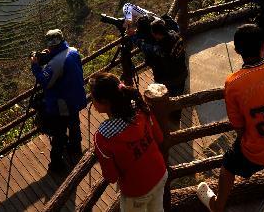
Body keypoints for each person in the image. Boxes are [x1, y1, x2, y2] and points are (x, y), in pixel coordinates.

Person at [196, 24, 264, 212]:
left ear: (236, 50)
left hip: (256, 148)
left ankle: (218, 205)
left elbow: (239, 126)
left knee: (228, 164)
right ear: (263, 47)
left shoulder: (233, 83)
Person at [90, 72, 168, 212]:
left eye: (93, 98)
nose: (92, 102)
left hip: (137, 190)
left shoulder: (103, 137)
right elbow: (160, 138)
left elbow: (111, 176)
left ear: (104, 102)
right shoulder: (140, 108)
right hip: (160, 173)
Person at [31, 28, 88, 173]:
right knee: (74, 122)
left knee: (59, 132)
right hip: (76, 96)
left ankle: (57, 164)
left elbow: (45, 81)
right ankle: (75, 147)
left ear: (50, 45)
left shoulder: (56, 63)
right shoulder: (73, 52)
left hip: (62, 103)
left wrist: (35, 66)